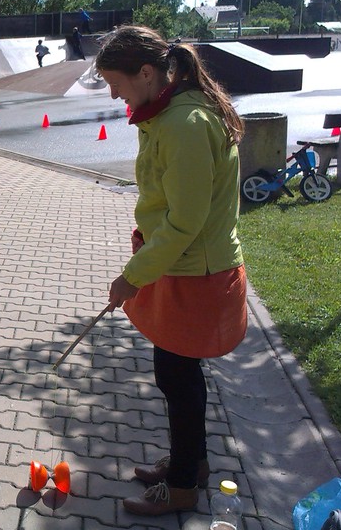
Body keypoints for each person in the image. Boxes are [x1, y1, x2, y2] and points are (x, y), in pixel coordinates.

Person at [96, 25, 247, 516]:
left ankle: (182, 487)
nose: (114, 95)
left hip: (196, 271)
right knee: (178, 376)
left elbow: (185, 221)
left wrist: (132, 276)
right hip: (181, 265)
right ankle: (192, 463)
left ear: (146, 72)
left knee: (178, 379)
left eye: (116, 83)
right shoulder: (169, 113)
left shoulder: (185, 123)